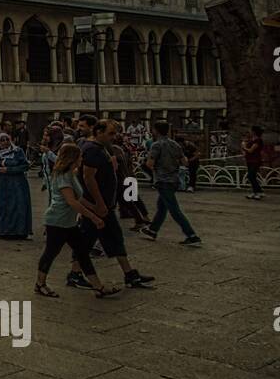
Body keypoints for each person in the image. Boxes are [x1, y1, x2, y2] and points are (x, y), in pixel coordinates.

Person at [70, 120, 155, 289]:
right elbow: (88, 178)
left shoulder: (99, 148)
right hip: (97, 206)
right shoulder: (92, 150)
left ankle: (129, 274)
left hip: (104, 205)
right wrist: (99, 203)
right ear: (99, 132)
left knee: (112, 238)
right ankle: (75, 273)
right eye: (110, 134)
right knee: (88, 240)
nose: (113, 137)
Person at [35, 143, 121, 298]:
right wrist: (93, 217)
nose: (82, 159)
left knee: (82, 253)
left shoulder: (70, 174)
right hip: (57, 221)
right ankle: (40, 284)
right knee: (51, 252)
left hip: (68, 222)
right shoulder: (63, 176)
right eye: (80, 156)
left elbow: (79, 198)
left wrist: (95, 208)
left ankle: (98, 287)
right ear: (73, 158)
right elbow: (72, 201)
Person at [140, 120, 202, 245]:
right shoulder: (175, 145)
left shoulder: (156, 145)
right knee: (162, 207)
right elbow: (185, 162)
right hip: (174, 179)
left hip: (163, 180)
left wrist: (157, 167)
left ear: (156, 131)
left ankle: (191, 235)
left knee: (174, 209)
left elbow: (149, 164)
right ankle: (153, 230)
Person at [0, 131, 31, 240]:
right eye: (2, 140)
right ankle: (4, 231)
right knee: (4, 206)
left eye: (7, 140)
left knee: (18, 206)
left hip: (17, 184)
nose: (5, 142)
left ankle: (20, 231)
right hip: (3, 185)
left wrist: (10, 170)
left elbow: (25, 166)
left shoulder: (17, 151)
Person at [243, 125, 265, 200]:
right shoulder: (252, 140)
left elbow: (251, 150)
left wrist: (244, 147)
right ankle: (255, 192)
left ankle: (259, 192)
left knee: (251, 175)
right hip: (249, 160)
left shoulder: (258, 140)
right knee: (251, 176)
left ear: (254, 132)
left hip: (255, 160)